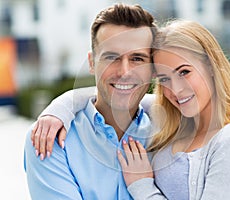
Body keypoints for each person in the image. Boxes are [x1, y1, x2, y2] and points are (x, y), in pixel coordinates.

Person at [30, 19, 230, 199]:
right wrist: (58, 110)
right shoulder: (173, 113)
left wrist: (142, 187)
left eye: (184, 72)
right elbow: (112, 94)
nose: (176, 90)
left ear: (211, 66)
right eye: (164, 79)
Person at [24, 3, 158, 199]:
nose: (124, 72)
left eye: (137, 59)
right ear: (92, 62)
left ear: (154, 69)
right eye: (111, 57)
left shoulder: (171, 134)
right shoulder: (49, 139)